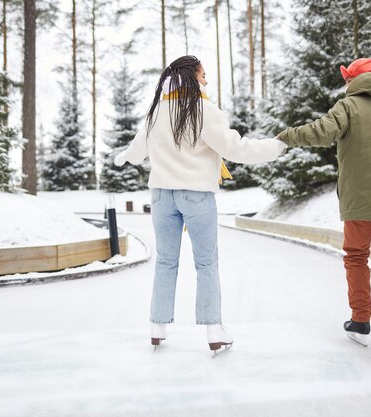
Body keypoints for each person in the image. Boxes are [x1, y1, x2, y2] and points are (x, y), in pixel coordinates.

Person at [114, 55, 286, 353]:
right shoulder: (202, 110)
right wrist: (277, 146)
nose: (206, 80)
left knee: (166, 261)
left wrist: (123, 158)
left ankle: (157, 325)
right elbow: (237, 148)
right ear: (191, 77)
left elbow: (138, 148)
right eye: (203, 74)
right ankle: (213, 329)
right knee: (206, 262)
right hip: (195, 195)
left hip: (161, 196)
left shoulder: (156, 111)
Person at [276, 58, 371, 365]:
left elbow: (322, 132)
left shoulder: (348, 106)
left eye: (347, 80)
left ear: (353, 81)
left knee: (356, 256)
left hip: (359, 199)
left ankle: (360, 320)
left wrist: (287, 136)